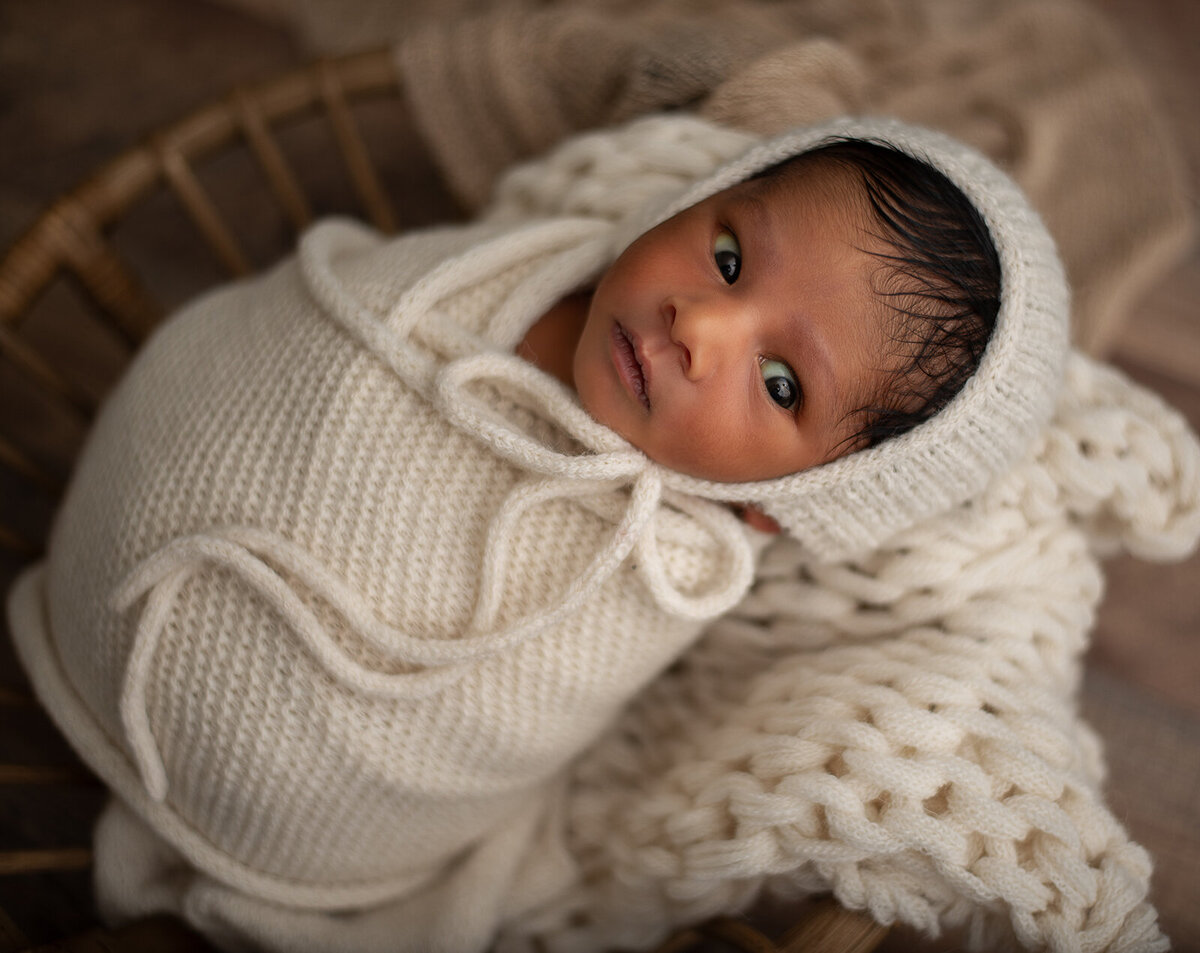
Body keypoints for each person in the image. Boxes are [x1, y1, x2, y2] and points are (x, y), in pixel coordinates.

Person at [7, 114, 1067, 952]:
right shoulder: (529, 264)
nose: (700, 326)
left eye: (781, 381)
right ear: (701, 199)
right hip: (107, 552)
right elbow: (289, 372)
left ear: (792, 499)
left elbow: (507, 704)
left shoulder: (673, 562)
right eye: (732, 254)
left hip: (277, 809)